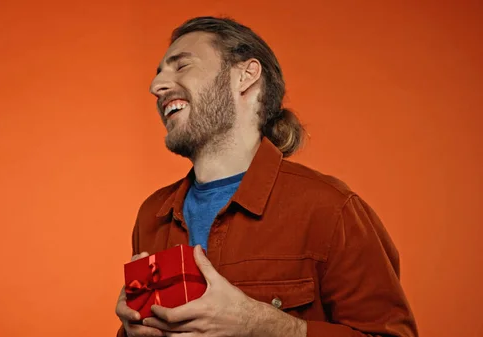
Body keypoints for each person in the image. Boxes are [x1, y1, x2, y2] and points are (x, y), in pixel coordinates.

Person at [114, 16, 418, 337]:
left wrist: (264, 326)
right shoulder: (152, 215)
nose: (156, 86)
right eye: (158, 72)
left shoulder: (331, 208)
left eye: (181, 65)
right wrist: (131, 331)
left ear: (245, 75)